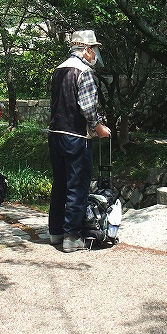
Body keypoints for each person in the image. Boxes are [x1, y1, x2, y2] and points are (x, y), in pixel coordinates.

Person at [48, 30, 111, 253]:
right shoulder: (84, 71)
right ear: (87, 49)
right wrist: (99, 127)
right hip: (76, 136)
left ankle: (55, 232)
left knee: (60, 184)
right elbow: (88, 107)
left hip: (55, 134)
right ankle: (72, 236)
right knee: (77, 186)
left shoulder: (58, 70)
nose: (95, 55)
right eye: (94, 50)